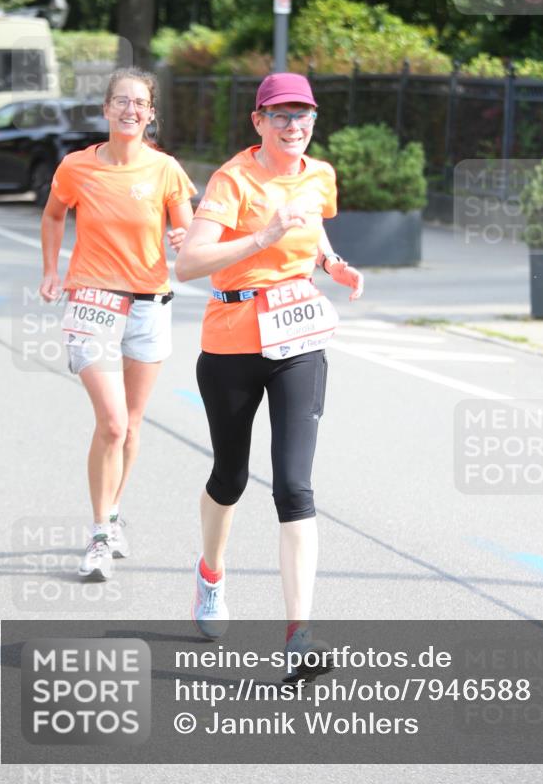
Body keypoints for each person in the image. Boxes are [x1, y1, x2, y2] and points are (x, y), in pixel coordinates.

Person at [175, 72, 363, 678]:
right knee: (230, 477)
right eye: (280, 115)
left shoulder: (319, 174)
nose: (293, 125)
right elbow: (188, 263)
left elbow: (315, 224)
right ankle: (210, 573)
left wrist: (331, 261)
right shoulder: (233, 180)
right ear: (258, 121)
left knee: (294, 485)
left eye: (302, 114)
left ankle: (298, 637)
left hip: (298, 339)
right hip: (231, 341)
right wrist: (265, 235)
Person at [40, 67, 195, 581]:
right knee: (111, 422)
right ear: (106, 109)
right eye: (122, 101)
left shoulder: (166, 170)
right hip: (92, 300)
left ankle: (113, 511)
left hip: (150, 304)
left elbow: (190, 233)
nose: (131, 110)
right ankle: (101, 533)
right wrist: (50, 270)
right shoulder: (77, 167)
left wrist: (184, 239)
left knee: (132, 423)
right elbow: (54, 214)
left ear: (151, 115)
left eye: (140, 103)